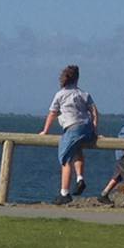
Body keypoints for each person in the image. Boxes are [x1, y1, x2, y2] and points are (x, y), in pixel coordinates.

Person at [37, 64, 97, 204]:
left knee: (65, 160)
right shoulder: (84, 94)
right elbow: (94, 112)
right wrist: (94, 129)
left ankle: (64, 193)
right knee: (77, 150)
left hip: (72, 127)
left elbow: (52, 113)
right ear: (77, 78)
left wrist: (45, 131)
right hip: (86, 127)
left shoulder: (60, 95)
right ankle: (80, 178)